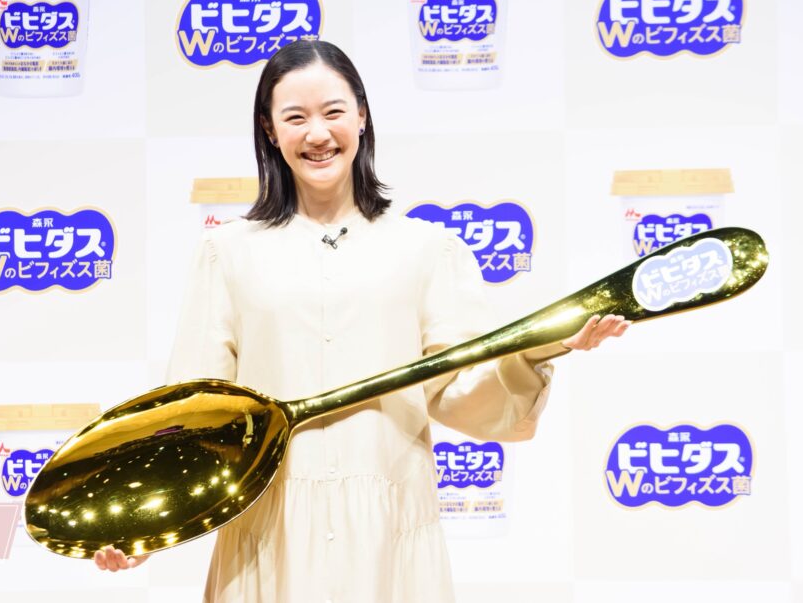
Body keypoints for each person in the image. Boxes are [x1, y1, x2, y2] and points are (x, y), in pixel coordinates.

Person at [94, 40, 630, 601]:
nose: (317, 134)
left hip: (389, 541)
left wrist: (538, 348)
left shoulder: (427, 249)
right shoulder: (227, 253)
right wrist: (140, 523)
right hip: (269, 539)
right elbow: (194, 414)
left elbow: (459, 392)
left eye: (333, 112)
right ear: (269, 130)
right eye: (295, 117)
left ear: (362, 116)